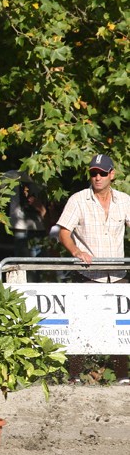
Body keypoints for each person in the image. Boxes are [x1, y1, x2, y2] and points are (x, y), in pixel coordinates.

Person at [56, 153, 130, 384]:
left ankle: (122, 376)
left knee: (121, 326)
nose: (97, 177)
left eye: (101, 173)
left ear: (112, 174)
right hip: (89, 275)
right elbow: (63, 232)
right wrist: (77, 252)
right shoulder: (78, 200)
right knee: (81, 324)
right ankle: (73, 375)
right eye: (93, 173)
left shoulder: (125, 200)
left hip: (118, 275)